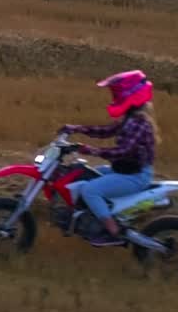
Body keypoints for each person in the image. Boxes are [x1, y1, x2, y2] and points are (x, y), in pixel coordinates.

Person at [60, 70, 159, 246]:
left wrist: (91, 151)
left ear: (129, 95)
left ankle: (113, 231)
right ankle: (89, 221)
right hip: (123, 170)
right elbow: (105, 131)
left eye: (116, 93)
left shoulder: (139, 124)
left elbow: (123, 151)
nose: (114, 97)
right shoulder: (129, 119)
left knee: (90, 190)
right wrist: (75, 129)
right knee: (85, 174)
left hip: (135, 176)